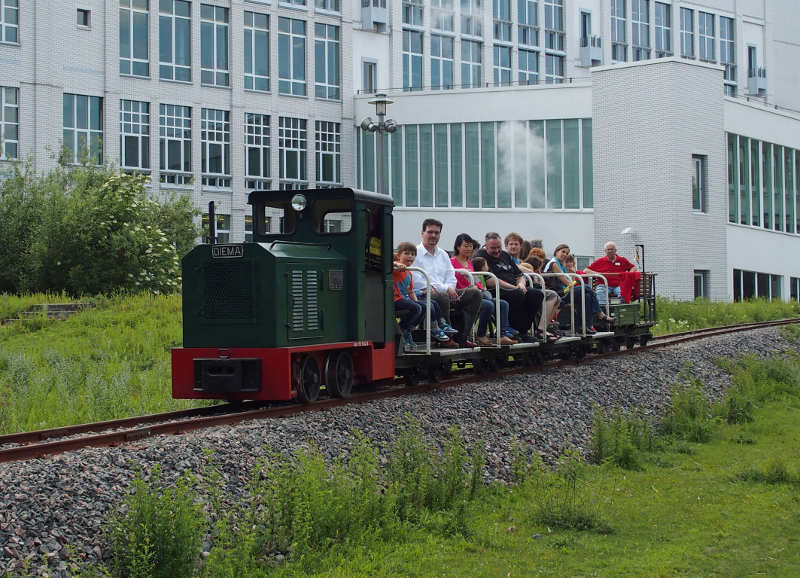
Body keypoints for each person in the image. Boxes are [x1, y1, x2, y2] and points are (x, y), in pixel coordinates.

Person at [412, 219, 481, 348]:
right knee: (442, 295)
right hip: (425, 293)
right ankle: (447, 338)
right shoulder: (415, 253)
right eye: (430, 232)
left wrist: (450, 288)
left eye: (437, 233)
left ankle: (462, 337)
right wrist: (445, 288)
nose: (433, 235)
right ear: (422, 233)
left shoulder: (443, 254)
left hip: (447, 292)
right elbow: (417, 280)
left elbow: (451, 276)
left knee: (475, 293)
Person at [475, 232, 544, 341]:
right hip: (495, 289)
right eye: (493, 248)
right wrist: (513, 287)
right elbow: (490, 281)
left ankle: (523, 331)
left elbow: (519, 274)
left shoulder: (505, 255)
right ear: (486, 246)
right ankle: (512, 329)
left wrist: (521, 284)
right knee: (517, 294)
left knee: (536, 294)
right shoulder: (481, 255)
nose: (497, 251)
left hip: (514, 286)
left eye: (499, 247)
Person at [393, 242, 452, 349]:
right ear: (398, 255)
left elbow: (410, 292)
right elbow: (389, 264)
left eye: (412, 254)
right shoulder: (396, 269)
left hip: (404, 298)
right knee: (417, 307)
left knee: (425, 306)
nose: (410, 256)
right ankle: (403, 328)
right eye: (406, 253)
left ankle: (408, 330)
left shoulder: (409, 272)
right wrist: (397, 264)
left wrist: (417, 302)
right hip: (395, 299)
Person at [544, 244, 609, 334]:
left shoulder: (560, 264)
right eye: (563, 251)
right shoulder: (554, 264)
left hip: (563, 292)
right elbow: (567, 283)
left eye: (566, 253)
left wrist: (573, 274)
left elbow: (569, 284)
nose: (565, 254)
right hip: (556, 295)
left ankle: (585, 326)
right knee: (585, 287)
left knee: (586, 296)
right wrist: (574, 277)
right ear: (556, 252)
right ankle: (600, 313)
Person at [470, 256, 518, 345]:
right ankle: (481, 334)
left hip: (485, 296)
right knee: (489, 304)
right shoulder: (474, 274)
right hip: (478, 297)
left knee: (503, 304)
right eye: (486, 264)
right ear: (483, 266)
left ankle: (501, 334)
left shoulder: (483, 275)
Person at [584, 241, 638, 306]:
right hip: (604, 285)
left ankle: (620, 311)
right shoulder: (600, 261)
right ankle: (604, 312)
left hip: (619, 285)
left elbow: (633, 267)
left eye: (611, 249)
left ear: (615, 250)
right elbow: (586, 270)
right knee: (600, 292)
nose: (610, 251)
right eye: (608, 249)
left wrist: (628, 275)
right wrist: (598, 274)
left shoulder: (622, 260)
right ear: (605, 251)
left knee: (624, 293)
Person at [523, 255, 560, 341]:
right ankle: (541, 330)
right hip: (528, 293)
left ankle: (546, 326)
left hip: (534, 292)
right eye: (539, 269)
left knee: (557, 298)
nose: (540, 272)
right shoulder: (529, 272)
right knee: (552, 295)